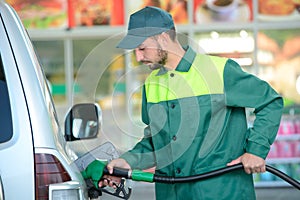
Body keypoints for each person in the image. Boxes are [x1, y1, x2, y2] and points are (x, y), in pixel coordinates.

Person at [98, 6, 283, 199]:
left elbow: (270, 102)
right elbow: (156, 143)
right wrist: (126, 162)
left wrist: (256, 150)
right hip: (172, 193)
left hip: (221, 192)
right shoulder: (152, 84)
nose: (138, 57)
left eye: (142, 48)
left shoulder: (219, 71)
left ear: (162, 38)